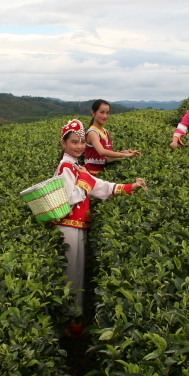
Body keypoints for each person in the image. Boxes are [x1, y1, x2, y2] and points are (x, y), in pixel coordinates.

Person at [55, 119, 147, 335]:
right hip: (69, 226)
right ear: (63, 144)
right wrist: (85, 184)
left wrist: (130, 187)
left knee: (77, 275)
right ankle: (68, 323)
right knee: (71, 275)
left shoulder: (77, 166)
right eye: (73, 142)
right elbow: (70, 197)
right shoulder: (65, 167)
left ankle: (74, 322)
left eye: (81, 142)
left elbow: (101, 187)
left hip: (78, 226)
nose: (78, 146)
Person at [84, 99, 141, 175]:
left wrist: (125, 153)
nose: (105, 116)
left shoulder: (105, 132)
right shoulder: (92, 132)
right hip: (91, 173)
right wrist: (126, 155)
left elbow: (107, 158)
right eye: (102, 112)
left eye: (107, 113)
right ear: (93, 113)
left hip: (104, 173)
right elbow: (102, 152)